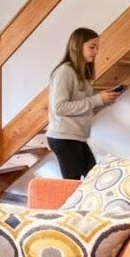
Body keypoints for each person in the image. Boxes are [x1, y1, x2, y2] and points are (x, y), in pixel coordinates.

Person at [47, 28, 120, 180]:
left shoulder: (82, 74)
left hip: (76, 137)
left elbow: (84, 109)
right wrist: (97, 99)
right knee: (75, 184)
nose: (96, 52)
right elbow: (59, 108)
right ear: (76, 46)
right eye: (92, 47)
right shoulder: (65, 72)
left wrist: (104, 101)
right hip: (64, 137)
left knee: (92, 179)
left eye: (97, 47)